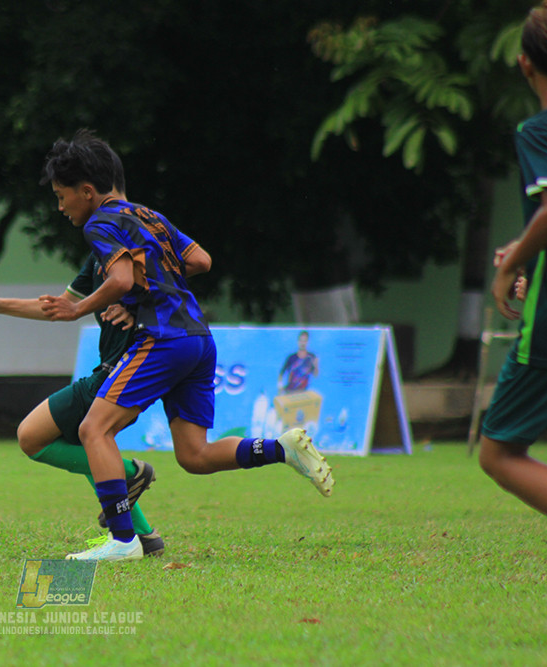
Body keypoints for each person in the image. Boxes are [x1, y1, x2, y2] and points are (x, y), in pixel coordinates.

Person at [38, 129, 334, 561]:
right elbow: (200, 260)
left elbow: (119, 279)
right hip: (199, 339)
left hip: (165, 340)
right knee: (194, 455)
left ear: (86, 191)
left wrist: (79, 308)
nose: (60, 206)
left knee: (92, 430)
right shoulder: (150, 217)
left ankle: (123, 540)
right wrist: (150, 290)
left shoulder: (101, 223)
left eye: (62, 196)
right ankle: (281, 448)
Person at [0, 258, 166, 556]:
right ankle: (143, 535)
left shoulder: (132, 248)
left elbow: (183, 276)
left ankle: (129, 474)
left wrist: (140, 308)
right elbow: (63, 306)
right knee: (85, 441)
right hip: (114, 371)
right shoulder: (98, 256)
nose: (61, 208)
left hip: (121, 373)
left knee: (31, 436)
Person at [479, 0, 547, 525]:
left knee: (499, 452)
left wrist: (510, 267)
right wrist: (526, 247)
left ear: (525, 63)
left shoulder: (540, 131)